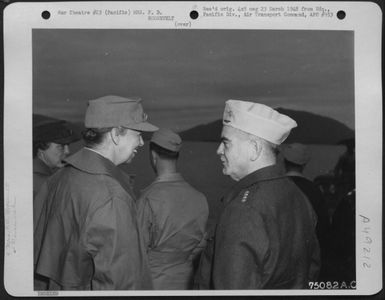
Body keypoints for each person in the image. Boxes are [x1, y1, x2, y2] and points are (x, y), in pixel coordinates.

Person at [34, 95, 158, 290]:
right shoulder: (112, 196)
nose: (142, 142)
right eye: (138, 134)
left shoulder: (60, 177)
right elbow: (123, 284)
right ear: (116, 134)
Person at [196, 100, 320, 289]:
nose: (218, 150)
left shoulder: (244, 211)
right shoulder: (299, 197)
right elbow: (311, 271)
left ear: (254, 149)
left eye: (226, 143)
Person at [137, 128, 209, 290]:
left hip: (153, 282)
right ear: (176, 156)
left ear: (153, 156)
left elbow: (137, 251)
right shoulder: (200, 198)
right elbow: (200, 246)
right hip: (186, 281)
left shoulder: (148, 199)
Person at [281, 143, 330, 280]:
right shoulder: (314, 190)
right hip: (307, 257)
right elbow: (323, 229)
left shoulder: (275, 187)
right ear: (304, 165)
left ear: (284, 162)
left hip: (280, 256)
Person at [33, 120, 79, 197]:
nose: (67, 151)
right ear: (41, 148)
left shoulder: (42, 174)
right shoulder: (42, 181)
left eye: (68, 145)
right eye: (61, 146)